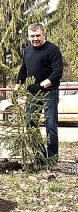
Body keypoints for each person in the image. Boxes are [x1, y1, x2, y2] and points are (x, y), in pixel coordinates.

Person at [15, 23, 63, 163]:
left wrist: (42, 86)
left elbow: (57, 72)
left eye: (37, 35)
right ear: (28, 36)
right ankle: (40, 155)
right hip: (32, 94)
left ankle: (52, 158)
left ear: (43, 34)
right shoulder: (27, 51)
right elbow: (23, 69)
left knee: (50, 125)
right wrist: (17, 85)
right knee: (30, 123)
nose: (35, 38)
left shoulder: (52, 49)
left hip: (50, 92)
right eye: (32, 36)